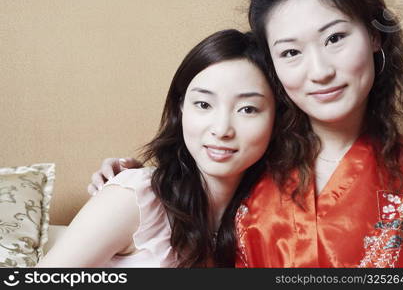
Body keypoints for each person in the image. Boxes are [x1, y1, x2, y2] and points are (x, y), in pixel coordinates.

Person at [93, 0, 403, 268]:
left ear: (375, 35)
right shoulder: (249, 158)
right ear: (273, 64)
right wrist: (134, 185)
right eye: (291, 52)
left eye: (335, 38)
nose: (319, 72)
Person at [37, 29, 278, 267]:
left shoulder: (272, 217)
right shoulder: (136, 199)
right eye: (203, 104)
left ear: (278, 118)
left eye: (248, 109)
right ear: (181, 108)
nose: (222, 129)